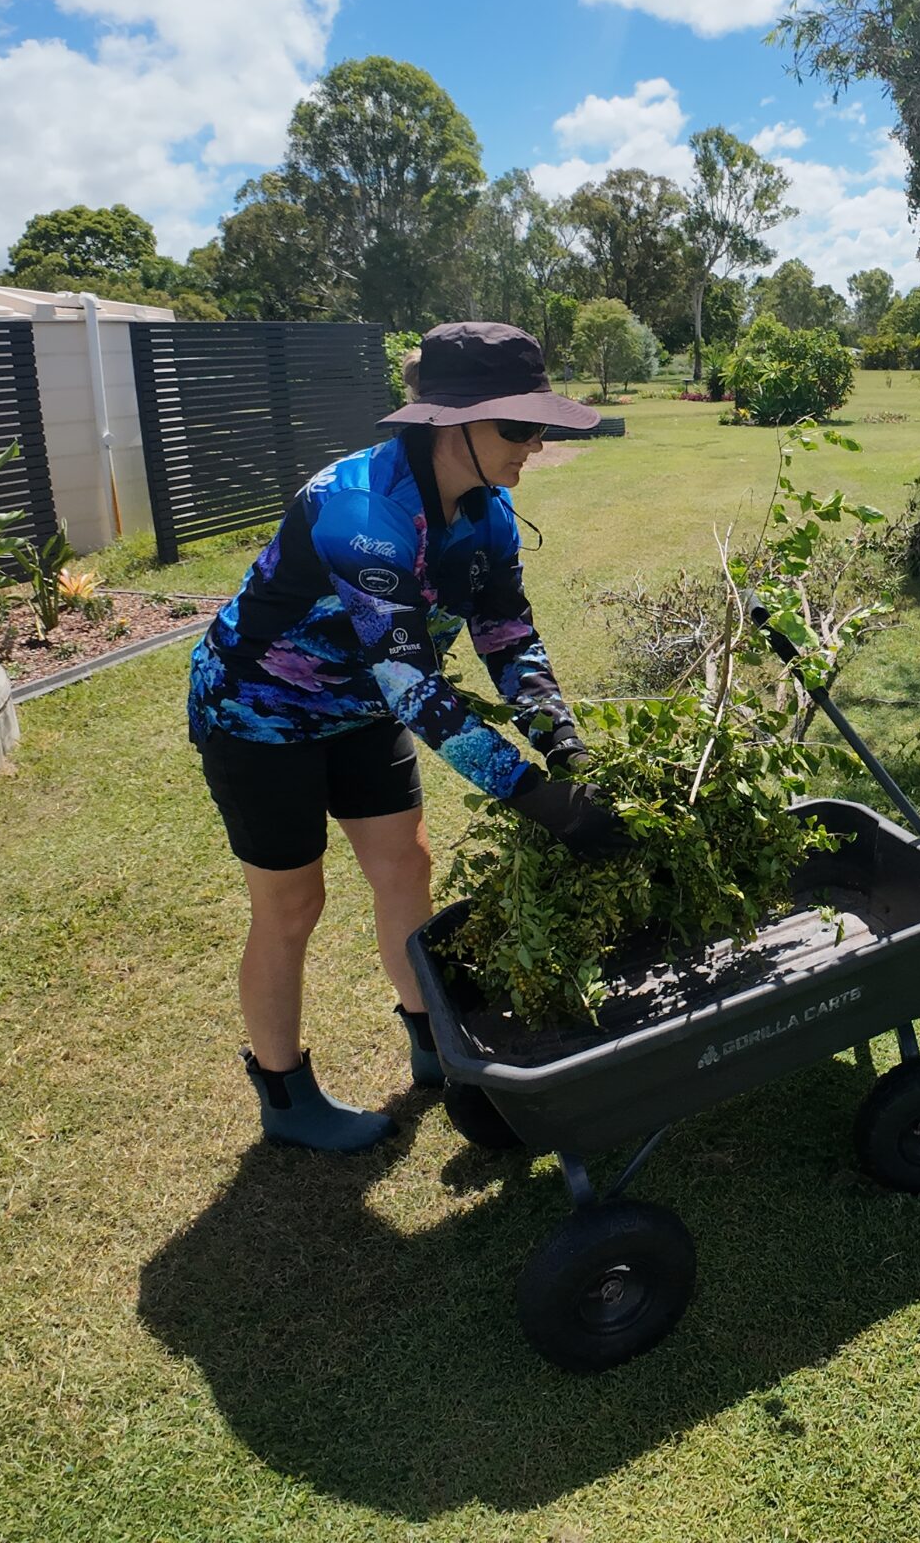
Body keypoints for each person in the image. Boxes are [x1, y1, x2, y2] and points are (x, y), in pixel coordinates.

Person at [186, 321, 623, 1151]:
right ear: (448, 421)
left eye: (541, 425)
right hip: (259, 711)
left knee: (405, 868)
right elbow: (414, 686)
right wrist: (535, 797)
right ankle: (285, 1097)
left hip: (360, 710)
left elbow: (506, 637)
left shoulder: (487, 517)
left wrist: (565, 747)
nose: (535, 444)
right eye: (518, 426)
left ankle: (436, 1044)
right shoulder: (360, 512)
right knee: (292, 906)